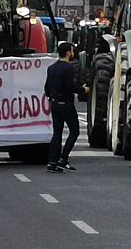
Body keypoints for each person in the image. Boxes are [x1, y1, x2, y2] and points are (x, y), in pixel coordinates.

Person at [44, 42, 89, 173]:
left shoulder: (51, 68)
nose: (73, 54)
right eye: (72, 51)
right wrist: (83, 89)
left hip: (54, 103)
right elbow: (71, 87)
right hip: (66, 104)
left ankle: (52, 162)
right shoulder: (68, 68)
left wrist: (52, 97)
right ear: (68, 53)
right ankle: (63, 159)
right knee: (74, 131)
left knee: (57, 133)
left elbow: (46, 88)